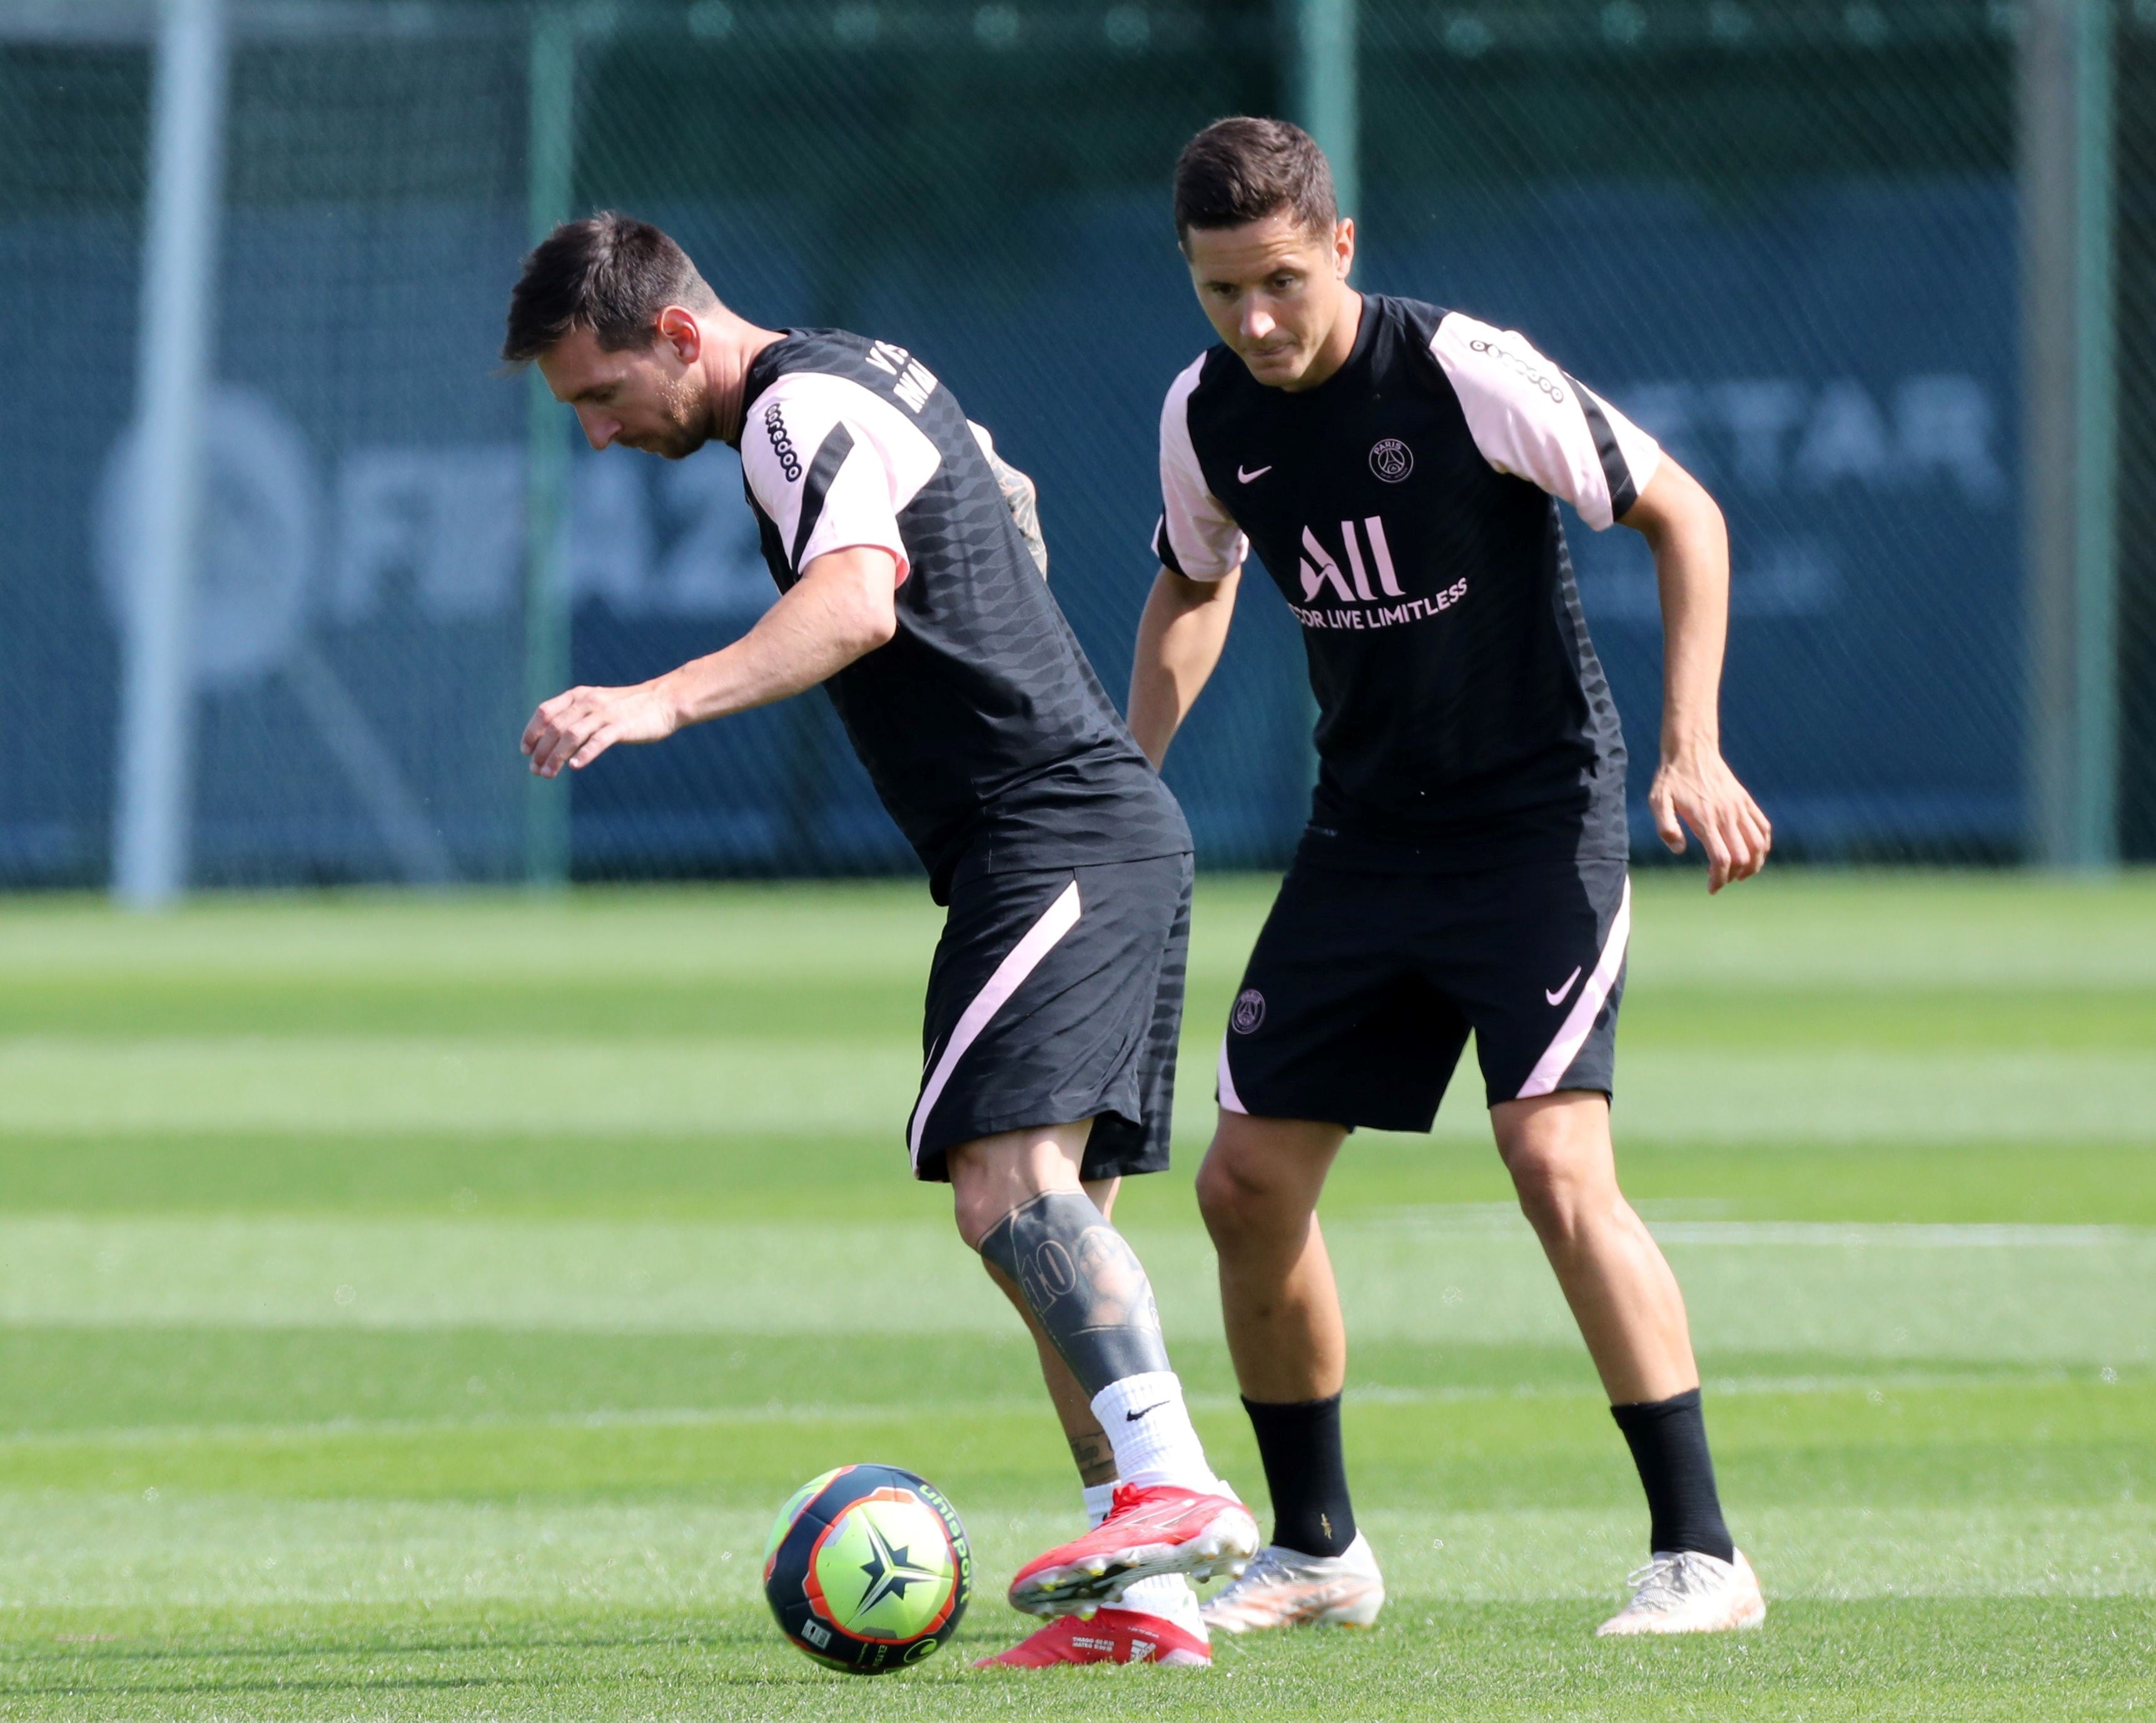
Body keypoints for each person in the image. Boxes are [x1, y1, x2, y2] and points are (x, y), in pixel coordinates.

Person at [501, 211, 1255, 1667]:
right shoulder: (859, 377)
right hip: (1065, 837)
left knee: (1003, 1189)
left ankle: (1173, 1487)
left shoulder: (792, 407)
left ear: (674, 334)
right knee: (1046, 1231)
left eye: (600, 396)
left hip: (1051, 835)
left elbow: (850, 602)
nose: (597, 435)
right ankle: (1143, 1601)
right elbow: (1003, 490)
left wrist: (655, 700)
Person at [1125, 119, 1773, 1639]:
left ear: (1338, 246)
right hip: (1364, 831)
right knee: (1243, 1182)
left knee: (1551, 1161)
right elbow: (1192, 577)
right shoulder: (1206, 410)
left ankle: (1701, 1556)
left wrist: (1692, 750)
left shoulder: (1463, 368)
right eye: (1221, 293)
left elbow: (1685, 512)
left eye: (1280, 281)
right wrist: (1118, 777)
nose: (1256, 322)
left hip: (1532, 821)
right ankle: (1317, 1549)